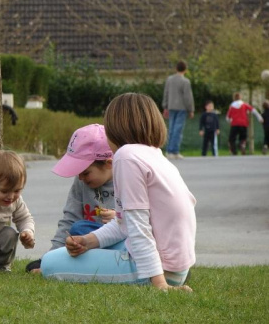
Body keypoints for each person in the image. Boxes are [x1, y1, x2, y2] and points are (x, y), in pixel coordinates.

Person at [41, 93, 196, 292]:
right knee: (75, 246)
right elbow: (125, 224)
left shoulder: (126, 157)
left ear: (115, 129)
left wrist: (160, 285)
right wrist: (87, 241)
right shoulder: (154, 154)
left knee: (49, 263)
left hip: (157, 270)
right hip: (173, 266)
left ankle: (161, 280)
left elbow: (139, 227)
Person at [26, 124, 115, 273]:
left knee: (79, 229)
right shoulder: (81, 182)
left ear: (108, 164)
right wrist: (49, 257)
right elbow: (70, 219)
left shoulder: (127, 180)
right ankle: (58, 260)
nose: (80, 178)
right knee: (78, 228)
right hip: (87, 244)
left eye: (86, 173)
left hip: (120, 244)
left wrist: (119, 218)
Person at [162, 60, 195, 159]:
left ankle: (169, 151)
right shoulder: (185, 81)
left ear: (176, 68)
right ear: (185, 70)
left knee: (171, 129)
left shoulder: (169, 79)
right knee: (178, 130)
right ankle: (174, 151)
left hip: (171, 107)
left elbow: (166, 93)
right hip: (181, 108)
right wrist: (191, 109)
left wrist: (165, 106)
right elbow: (188, 97)